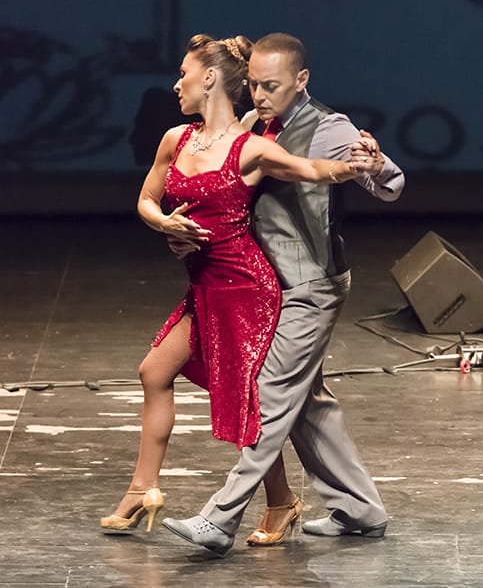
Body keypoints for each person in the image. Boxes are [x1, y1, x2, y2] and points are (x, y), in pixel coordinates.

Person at [99, 33, 379, 535]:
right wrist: (165, 224)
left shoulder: (252, 145)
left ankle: (252, 510)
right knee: (155, 372)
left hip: (248, 290)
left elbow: (312, 168)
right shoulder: (177, 138)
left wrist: (358, 165)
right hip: (204, 287)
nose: (176, 83)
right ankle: (146, 488)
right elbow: (147, 200)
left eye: (183, 73)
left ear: (208, 78)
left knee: (247, 400)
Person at [161, 32, 405, 556]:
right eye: (253, 84)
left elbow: (388, 183)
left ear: (301, 80)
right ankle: (360, 510)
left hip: (311, 284)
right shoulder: (254, 124)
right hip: (267, 286)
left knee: (269, 395)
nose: (259, 95)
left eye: (270, 86)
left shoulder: (328, 127)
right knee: (308, 404)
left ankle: (219, 518)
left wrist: (376, 162)